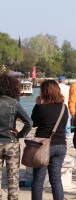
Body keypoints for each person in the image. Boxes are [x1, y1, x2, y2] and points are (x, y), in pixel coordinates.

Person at [31, 80, 68, 200]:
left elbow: (34, 122)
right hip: (61, 145)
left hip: (43, 145)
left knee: (38, 180)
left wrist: (38, 104)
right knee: (56, 180)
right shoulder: (64, 107)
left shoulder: (40, 107)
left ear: (44, 92)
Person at [0, 72, 33, 200]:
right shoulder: (14, 103)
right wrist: (20, 135)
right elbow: (29, 123)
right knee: (13, 178)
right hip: (11, 143)